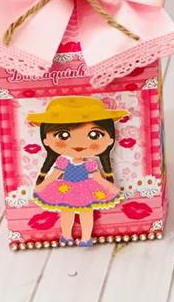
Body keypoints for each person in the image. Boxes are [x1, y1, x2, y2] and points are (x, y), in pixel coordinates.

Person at [29, 96, 127, 246]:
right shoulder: (63, 162)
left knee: (86, 214)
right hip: (65, 189)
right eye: (63, 135)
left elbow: (98, 179)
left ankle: (86, 238)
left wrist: (111, 187)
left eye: (94, 135)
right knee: (66, 213)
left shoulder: (90, 165)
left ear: (110, 140)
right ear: (46, 140)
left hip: (86, 191)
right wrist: (41, 185)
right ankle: (66, 235)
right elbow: (54, 175)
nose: (79, 143)